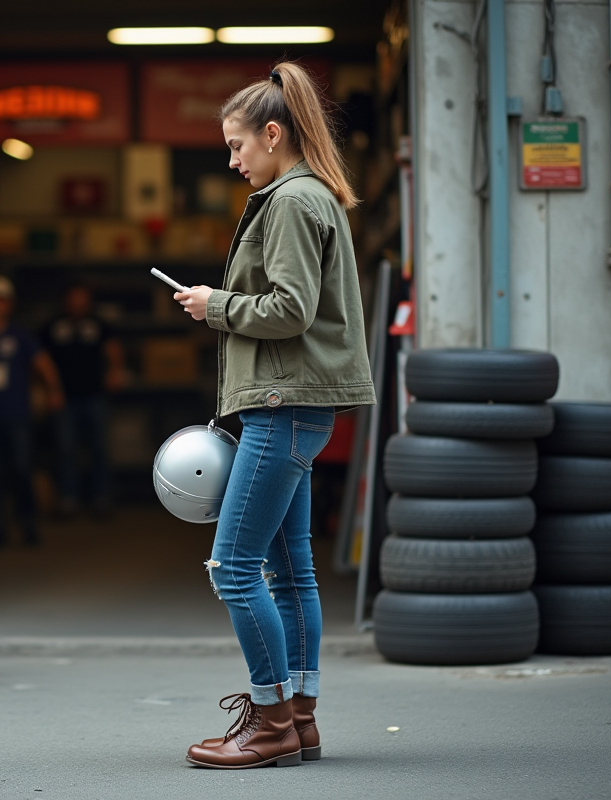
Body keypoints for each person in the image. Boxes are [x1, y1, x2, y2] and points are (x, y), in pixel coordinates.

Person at [172, 63, 376, 769]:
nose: (233, 162)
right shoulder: (312, 194)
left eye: (237, 147)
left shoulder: (291, 201)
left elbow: (289, 309)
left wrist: (214, 305)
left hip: (282, 404)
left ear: (271, 133)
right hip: (298, 405)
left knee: (233, 567)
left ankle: (267, 723)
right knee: (292, 574)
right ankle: (300, 719)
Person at [0, 275, 64, 548]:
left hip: (17, 413)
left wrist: (53, 390)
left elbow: (42, 363)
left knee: (21, 468)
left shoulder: (20, 336)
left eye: (0, 301)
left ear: (8, 305)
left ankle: (28, 522)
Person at [41, 284, 125, 518]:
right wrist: (49, 390)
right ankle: (69, 499)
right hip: (64, 398)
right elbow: (40, 358)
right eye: (73, 299)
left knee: (99, 449)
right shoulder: (54, 326)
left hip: (94, 396)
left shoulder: (97, 324)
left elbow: (113, 348)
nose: (78, 303)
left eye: (82, 299)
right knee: (65, 450)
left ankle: (101, 498)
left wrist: (115, 371)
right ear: (66, 301)